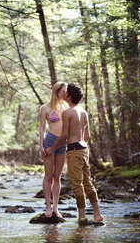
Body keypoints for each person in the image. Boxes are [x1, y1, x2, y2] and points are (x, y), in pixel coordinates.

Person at [45, 83, 104, 222]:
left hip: (74, 150)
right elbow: (87, 136)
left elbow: (64, 135)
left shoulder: (67, 113)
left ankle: (82, 216)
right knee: (87, 182)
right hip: (84, 149)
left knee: (77, 184)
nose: (64, 95)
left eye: (66, 94)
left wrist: (52, 149)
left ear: (70, 97)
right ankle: (97, 214)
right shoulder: (84, 112)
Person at [39, 81, 68, 218]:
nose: (65, 93)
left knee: (57, 176)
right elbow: (42, 128)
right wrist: (41, 145)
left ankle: (56, 208)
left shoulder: (67, 106)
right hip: (49, 142)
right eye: (63, 91)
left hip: (63, 143)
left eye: (66, 91)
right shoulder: (45, 108)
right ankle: (48, 207)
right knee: (48, 176)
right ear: (57, 91)